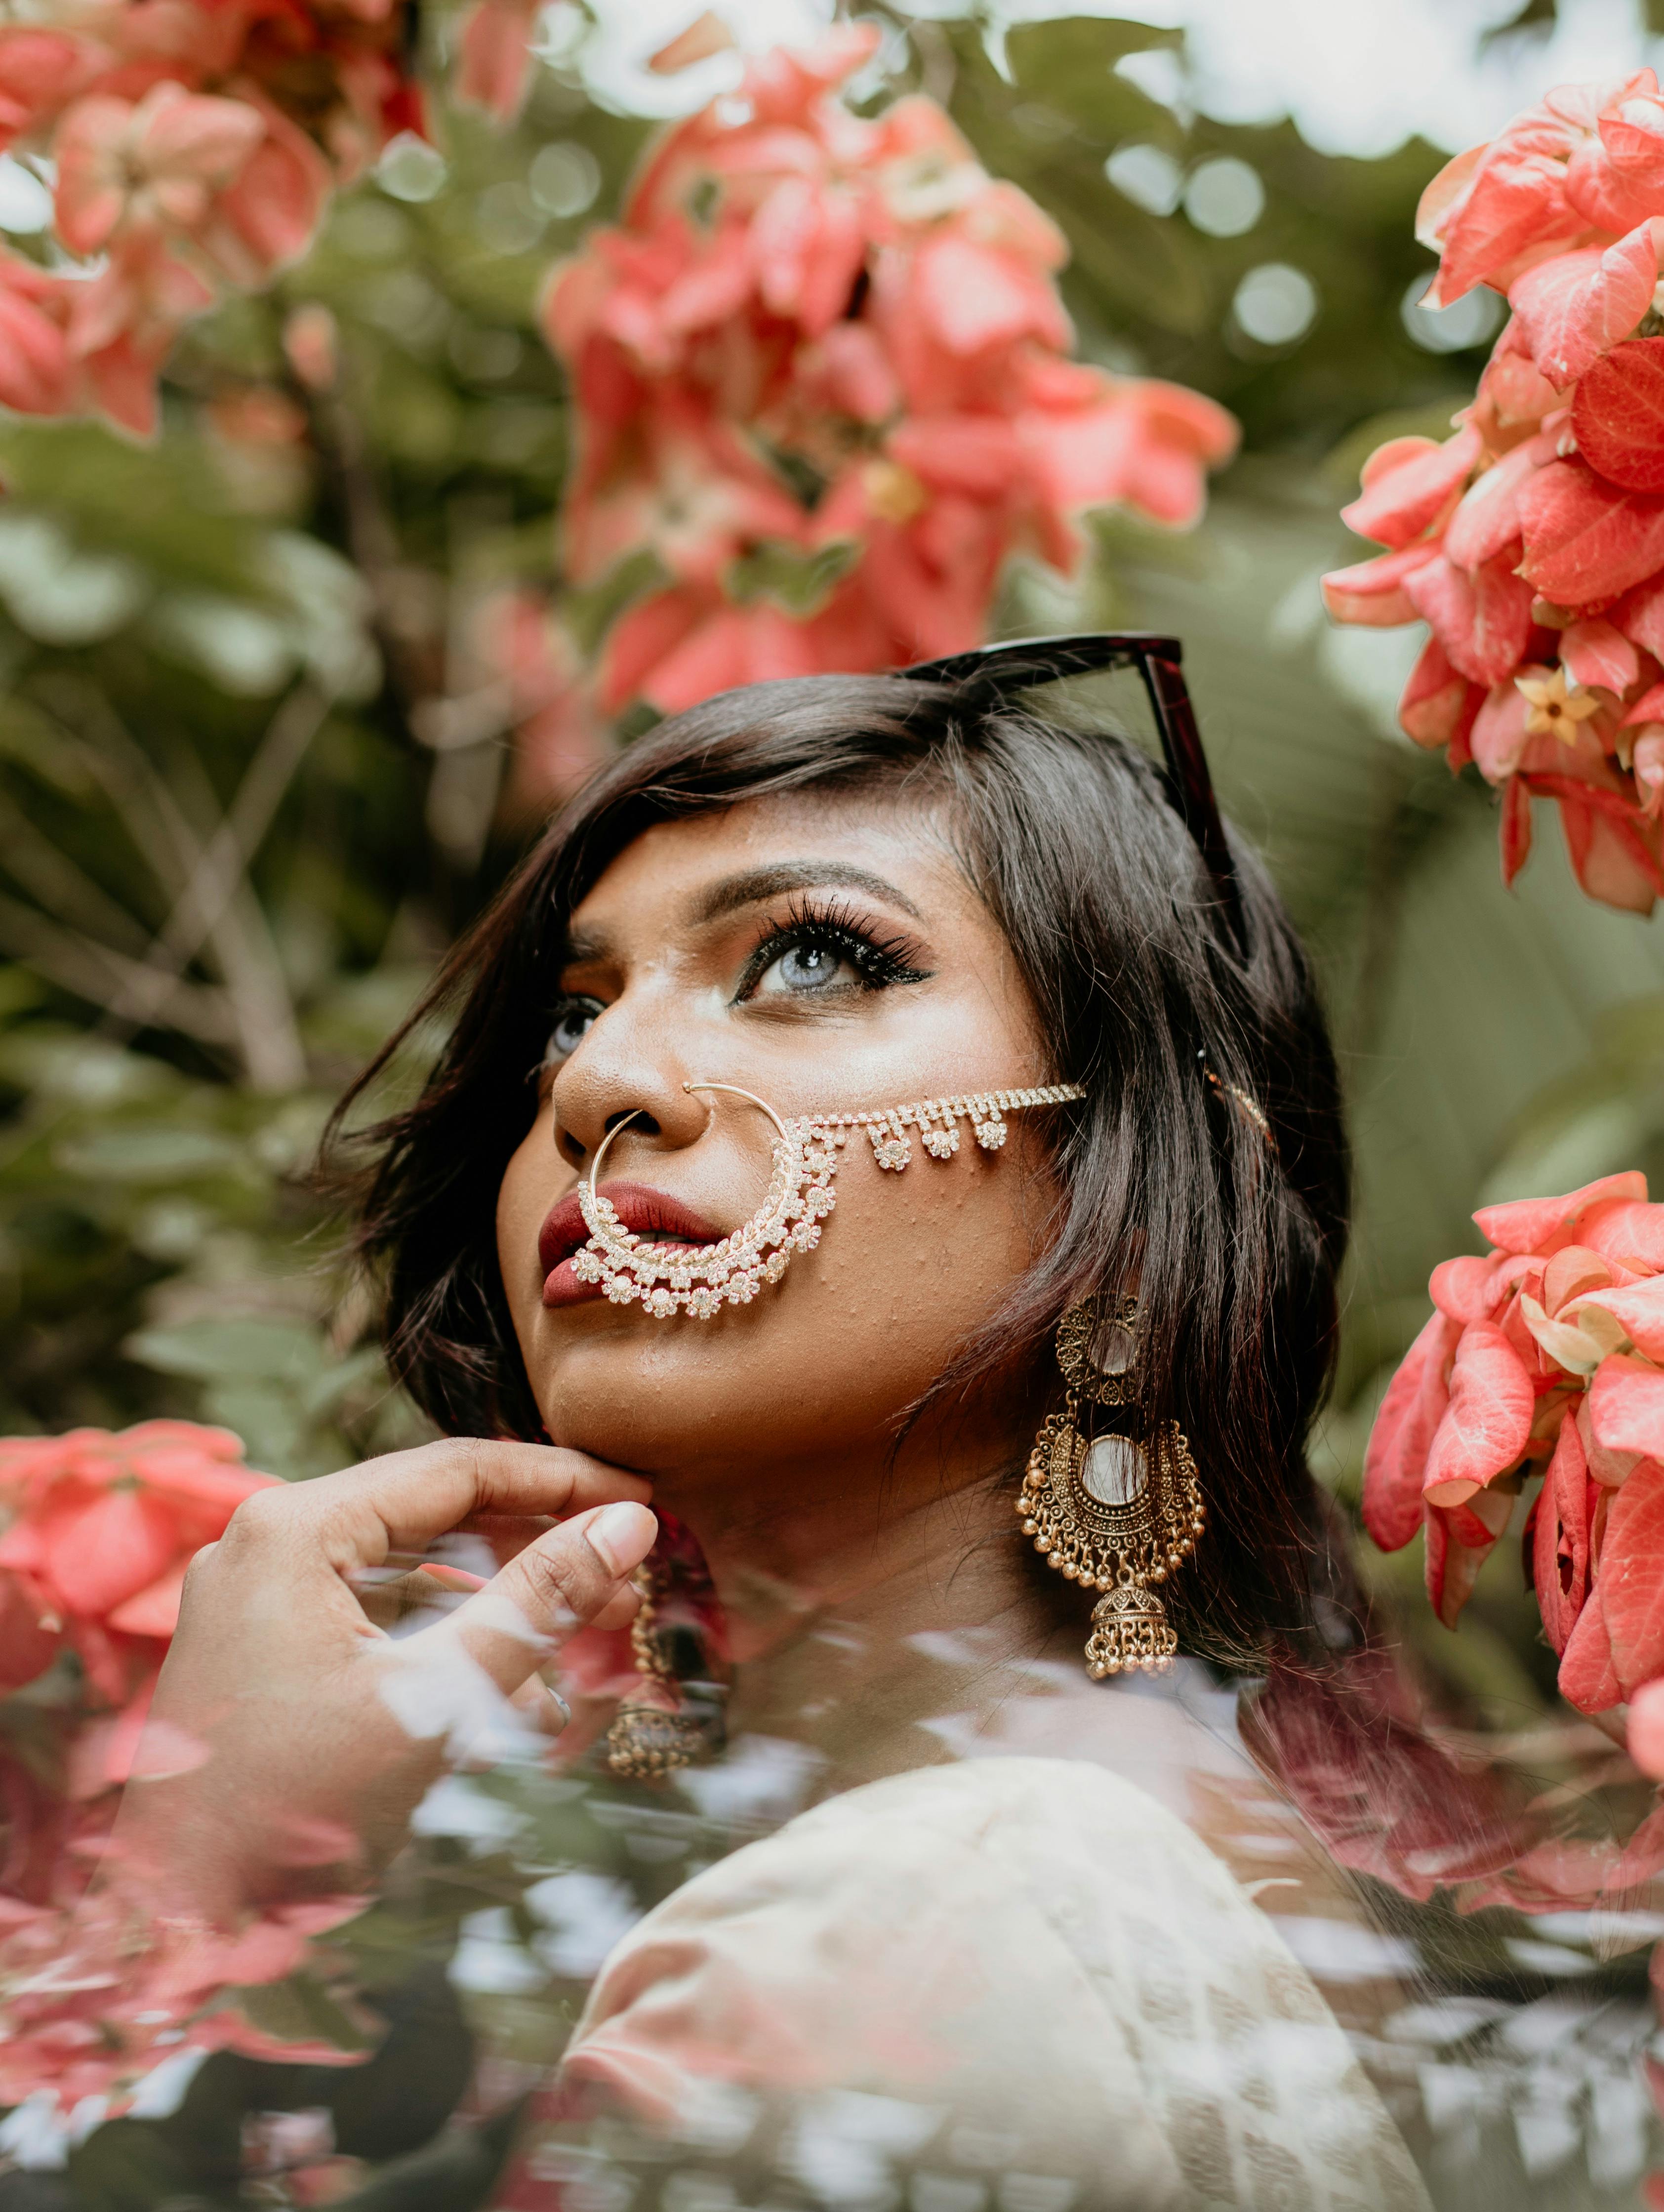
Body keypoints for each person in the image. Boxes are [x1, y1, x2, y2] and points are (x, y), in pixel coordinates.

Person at [114, 643, 1438, 2210]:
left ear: (1140, 1181)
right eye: (565, 1015)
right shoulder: (1111, 1863)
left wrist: (177, 1920)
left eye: (813, 961)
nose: (597, 1083)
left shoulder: (921, 1923)